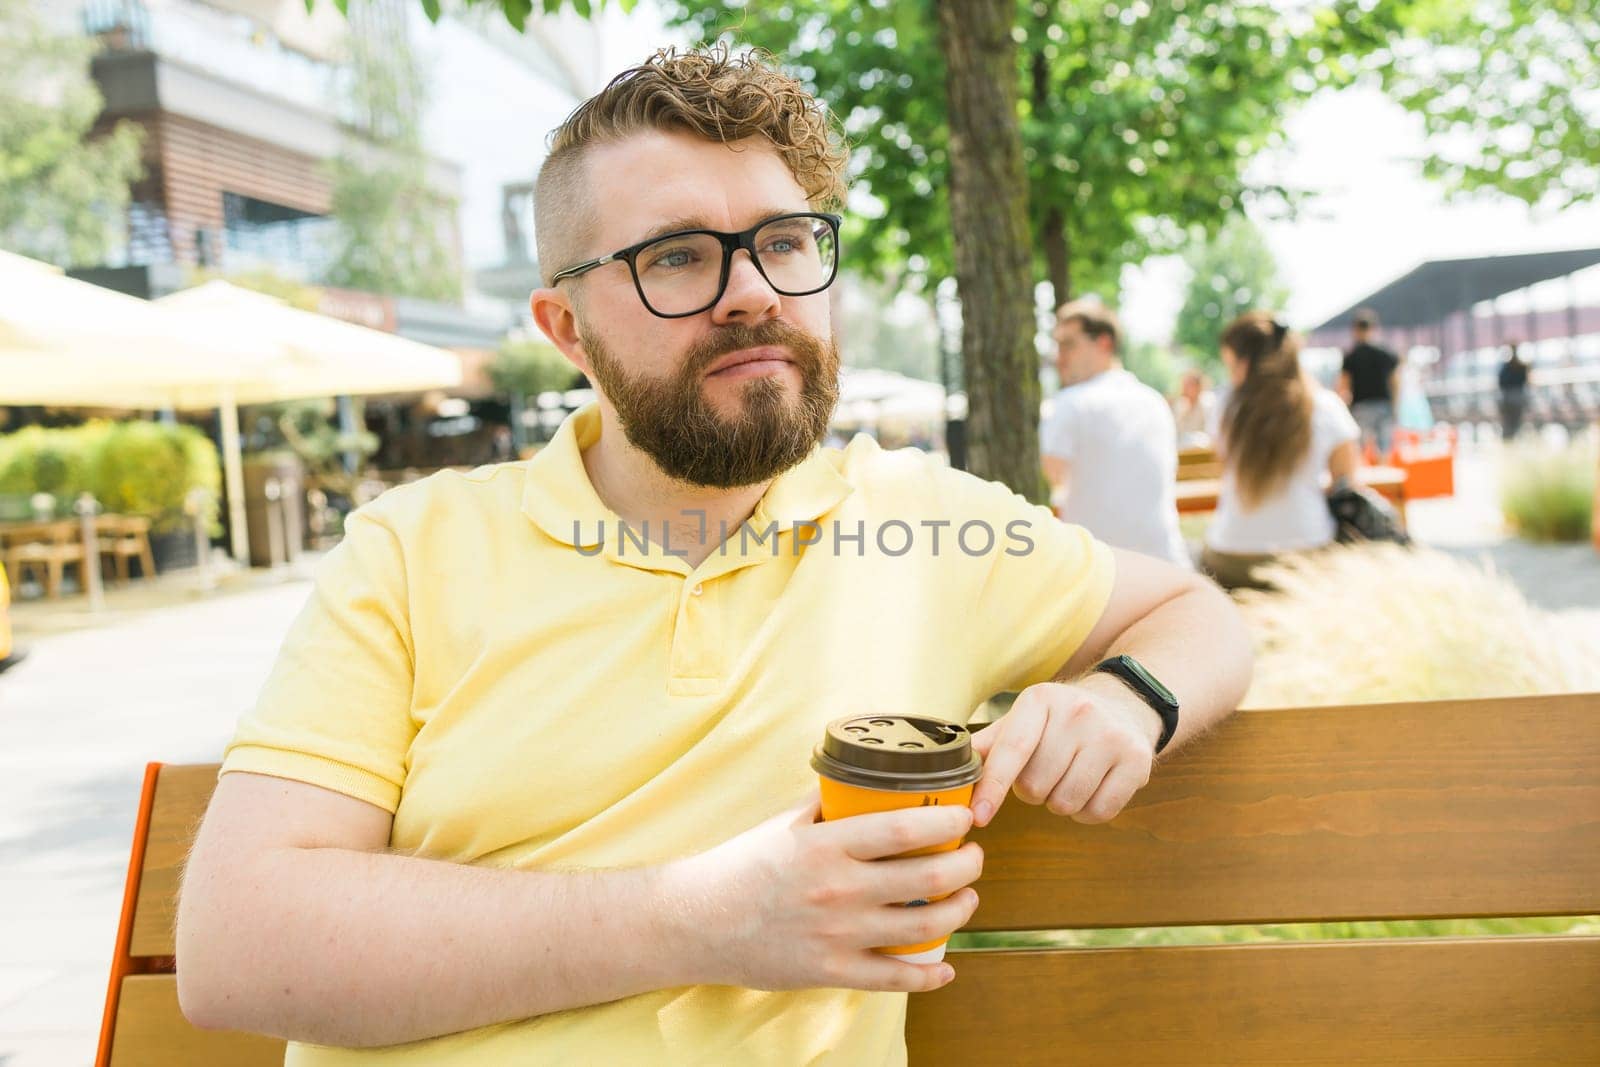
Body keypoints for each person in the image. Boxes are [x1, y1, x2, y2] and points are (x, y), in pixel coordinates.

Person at [176, 48, 1252, 1066]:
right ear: (565, 327)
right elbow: (239, 943)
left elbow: (1200, 618)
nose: (753, 289)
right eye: (676, 256)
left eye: (784, 240)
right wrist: (700, 919)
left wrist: (1124, 700)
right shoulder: (415, 548)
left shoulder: (925, 523)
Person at [1201, 311, 1360, 591]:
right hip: (1306, 549)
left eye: (1231, 365)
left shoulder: (1226, 408)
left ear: (1245, 363)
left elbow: (1226, 467)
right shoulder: (1325, 406)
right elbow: (1346, 481)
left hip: (1231, 552)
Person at [1039, 301, 1190, 567]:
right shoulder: (1154, 401)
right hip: (1168, 565)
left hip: (1101, 575)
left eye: (1069, 344)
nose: (1058, 356)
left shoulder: (1070, 403)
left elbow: (1043, 484)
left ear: (1104, 344)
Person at [1339, 309, 1400, 457]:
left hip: (1360, 406)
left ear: (1355, 329)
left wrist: (1345, 409)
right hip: (1383, 405)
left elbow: (1344, 386)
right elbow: (1395, 382)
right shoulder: (1385, 353)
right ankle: (1385, 477)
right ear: (1373, 328)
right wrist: (1395, 406)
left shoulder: (1351, 356)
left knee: (1358, 449)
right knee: (1384, 449)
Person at [1172, 368, 1217, 448]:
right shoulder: (1180, 405)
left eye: (1189, 384)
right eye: (1184, 384)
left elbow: (1211, 430)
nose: (1184, 388)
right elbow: (1176, 431)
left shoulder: (1207, 402)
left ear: (1198, 386)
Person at [1498, 342, 1530, 441]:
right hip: (1517, 396)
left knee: (1509, 422)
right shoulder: (1521, 366)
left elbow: (1501, 382)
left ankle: (1510, 439)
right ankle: (1512, 439)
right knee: (1514, 421)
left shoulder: (1506, 367)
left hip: (1508, 397)